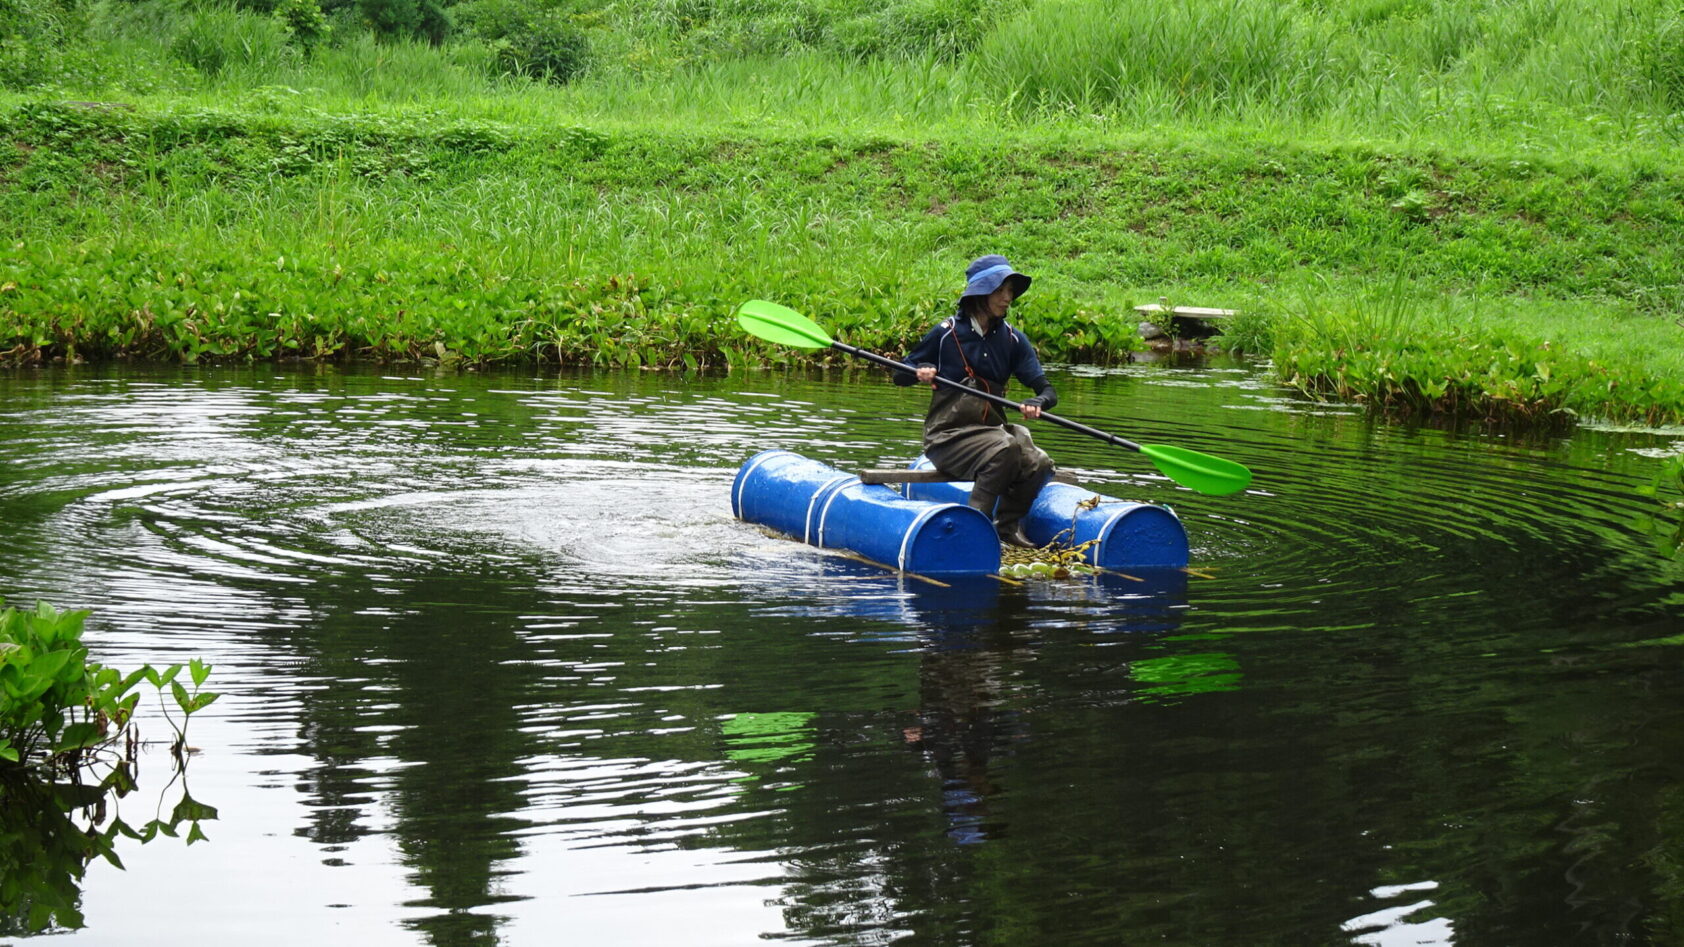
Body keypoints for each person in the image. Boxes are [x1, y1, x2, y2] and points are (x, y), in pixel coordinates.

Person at [894, 255, 1057, 547]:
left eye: (1010, 291)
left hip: (992, 434)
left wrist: (1038, 401)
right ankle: (975, 525)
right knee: (1005, 447)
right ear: (980, 293)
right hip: (947, 438)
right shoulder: (945, 335)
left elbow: (1048, 391)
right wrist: (920, 372)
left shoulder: (1013, 340)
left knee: (1039, 462)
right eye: (1000, 290)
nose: (1007, 298)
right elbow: (899, 375)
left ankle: (1007, 528)